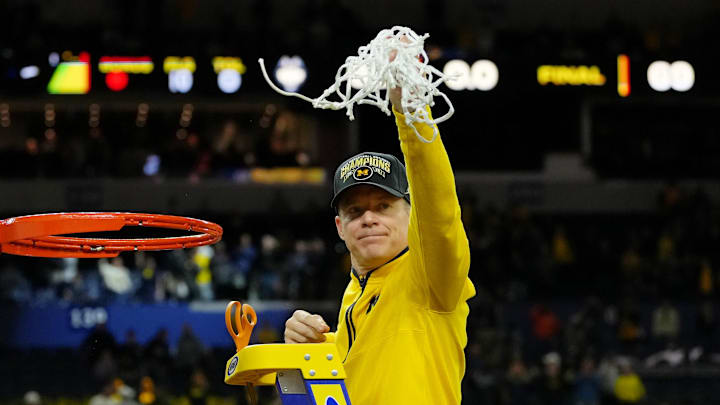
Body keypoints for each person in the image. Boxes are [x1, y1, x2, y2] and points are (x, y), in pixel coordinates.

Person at [283, 64, 476, 403]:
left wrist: (411, 114)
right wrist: (305, 353)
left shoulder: (430, 279)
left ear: (413, 216)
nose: (369, 218)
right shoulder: (351, 299)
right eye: (355, 212)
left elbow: (440, 214)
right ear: (340, 228)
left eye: (383, 206)